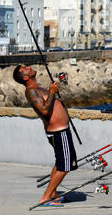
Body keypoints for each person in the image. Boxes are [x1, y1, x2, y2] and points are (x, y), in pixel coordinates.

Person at [13, 64, 78, 207]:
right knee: (65, 166)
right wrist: (52, 91)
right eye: (26, 69)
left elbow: (50, 104)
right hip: (58, 133)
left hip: (61, 131)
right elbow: (44, 111)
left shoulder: (37, 89)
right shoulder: (31, 91)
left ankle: (53, 194)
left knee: (60, 163)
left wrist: (52, 92)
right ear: (25, 77)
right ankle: (46, 197)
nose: (29, 67)